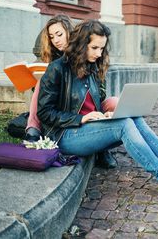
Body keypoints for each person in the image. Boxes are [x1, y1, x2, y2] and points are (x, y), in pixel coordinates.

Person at [37, 20, 158, 200]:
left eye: (102, 49)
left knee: (133, 118)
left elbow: (94, 104)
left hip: (88, 130)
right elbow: (44, 113)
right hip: (65, 136)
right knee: (123, 125)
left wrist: (106, 116)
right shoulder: (57, 69)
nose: (99, 53)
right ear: (81, 45)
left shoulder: (90, 67)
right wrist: (80, 119)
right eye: (94, 48)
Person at [26, 15, 119, 168]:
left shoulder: (90, 53)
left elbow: (101, 92)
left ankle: (103, 148)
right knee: (39, 83)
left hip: (91, 104)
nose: (56, 40)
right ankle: (33, 129)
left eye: (59, 34)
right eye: (52, 36)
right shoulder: (56, 62)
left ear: (70, 33)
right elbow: (48, 102)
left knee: (116, 103)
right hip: (68, 110)